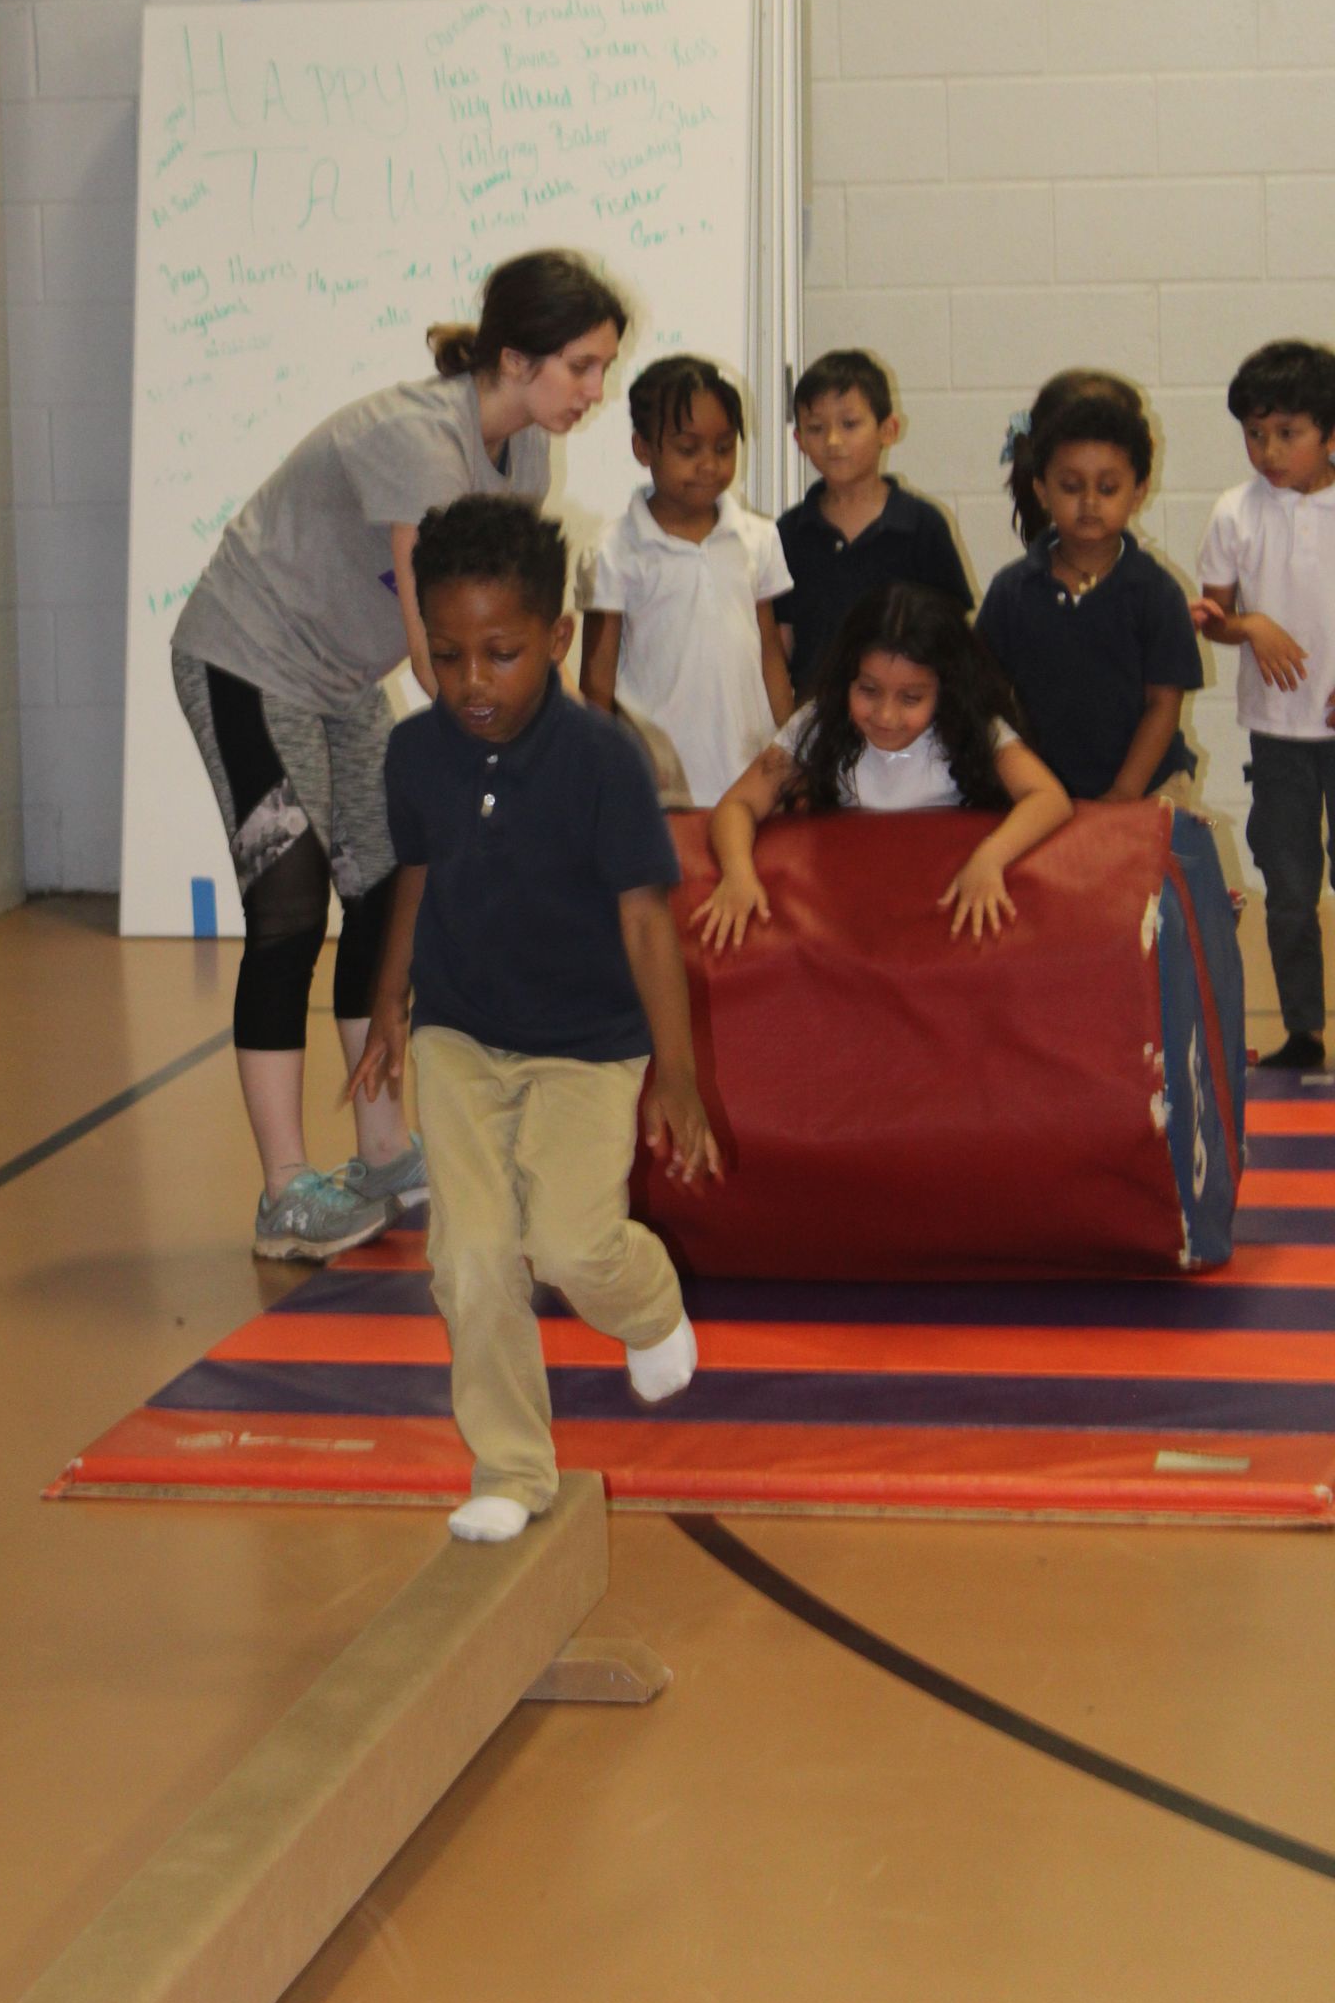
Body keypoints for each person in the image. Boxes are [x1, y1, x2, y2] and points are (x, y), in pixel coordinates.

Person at [172, 249, 631, 1260]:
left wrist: (571, 741)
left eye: (602, 367)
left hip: (340, 679)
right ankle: (285, 1194)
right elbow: (440, 655)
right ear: (516, 359)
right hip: (247, 659)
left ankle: (383, 1153)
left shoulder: (525, 454)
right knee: (289, 908)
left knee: (384, 899)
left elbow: (502, 628)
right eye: (582, 367)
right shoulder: (418, 442)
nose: (595, 391)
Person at [351, 495, 721, 1545]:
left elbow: (646, 923)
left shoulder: (604, 762)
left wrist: (678, 1076)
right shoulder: (414, 755)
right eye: (448, 655)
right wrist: (389, 1001)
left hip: (588, 1046)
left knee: (568, 1243)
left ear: (557, 639)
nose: (472, 681)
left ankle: (648, 1307)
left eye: (500, 654)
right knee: (469, 1254)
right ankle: (510, 1467)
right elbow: (417, 874)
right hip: (459, 1032)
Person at [700, 582, 1072, 952]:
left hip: (944, 912)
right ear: (847, 678)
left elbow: (1049, 797)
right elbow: (738, 803)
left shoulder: (974, 728)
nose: (886, 716)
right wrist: (737, 874)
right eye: (869, 691)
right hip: (848, 916)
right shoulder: (820, 722)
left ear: (946, 690)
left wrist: (990, 858)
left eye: (911, 698)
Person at [1197, 338, 1335, 1072]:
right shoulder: (1234, 512)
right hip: (1278, 736)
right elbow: (1214, 618)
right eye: (1255, 434)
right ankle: (1304, 1031)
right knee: (1288, 890)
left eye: (1288, 433)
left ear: (1329, 432)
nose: (1270, 451)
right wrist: (1248, 624)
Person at [976, 370, 1203, 804]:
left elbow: (1163, 704)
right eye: (1071, 486)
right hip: (1040, 794)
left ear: (1138, 491)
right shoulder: (1012, 591)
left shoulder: (1156, 593)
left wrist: (1123, 793)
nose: (1090, 502)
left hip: (1147, 790)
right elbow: (984, 696)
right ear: (1042, 490)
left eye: (1108, 487)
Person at [580, 354, 793, 802]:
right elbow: (597, 681)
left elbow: (770, 652)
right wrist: (601, 771)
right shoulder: (613, 551)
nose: (709, 466)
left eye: (724, 447)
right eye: (688, 449)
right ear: (643, 449)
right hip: (659, 781)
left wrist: (789, 746)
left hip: (750, 775)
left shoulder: (758, 538)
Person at [775, 348, 973, 694]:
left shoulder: (922, 525)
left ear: (888, 429)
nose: (833, 441)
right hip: (816, 714)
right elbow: (781, 641)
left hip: (903, 715)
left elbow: (950, 635)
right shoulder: (788, 532)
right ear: (799, 440)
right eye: (816, 428)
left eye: (849, 424)